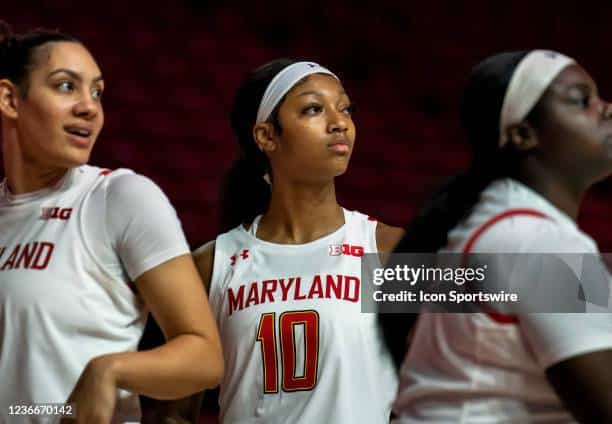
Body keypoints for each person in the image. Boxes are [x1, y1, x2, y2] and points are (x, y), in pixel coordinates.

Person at [0, 23, 223, 423]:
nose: (90, 106)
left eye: (97, 92)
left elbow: (205, 357)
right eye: (67, 86)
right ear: (9, 100)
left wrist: (111, 370)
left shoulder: (119, 197)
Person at [388, 50, 612, 422]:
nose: (606, 109)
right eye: (581, 100)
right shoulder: (538, 240)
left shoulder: (493, 223)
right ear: (523, 134)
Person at [192, 59, 402, 423]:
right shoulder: (212, 264)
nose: (340, 123)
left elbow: (514, 291)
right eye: (314, 109)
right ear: (267, 136)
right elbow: (174, 413)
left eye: (345, 108)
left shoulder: (385, 249)